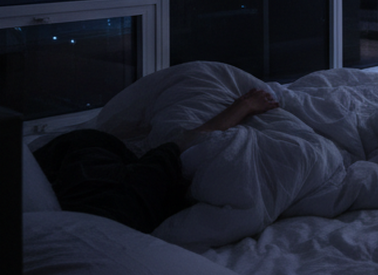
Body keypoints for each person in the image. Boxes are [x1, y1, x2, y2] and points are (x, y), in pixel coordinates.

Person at [33, 89, 279, 233]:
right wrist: (244, 105)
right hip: (99, 218)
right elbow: (193, 137)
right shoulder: (137, 181)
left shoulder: (116, 178)